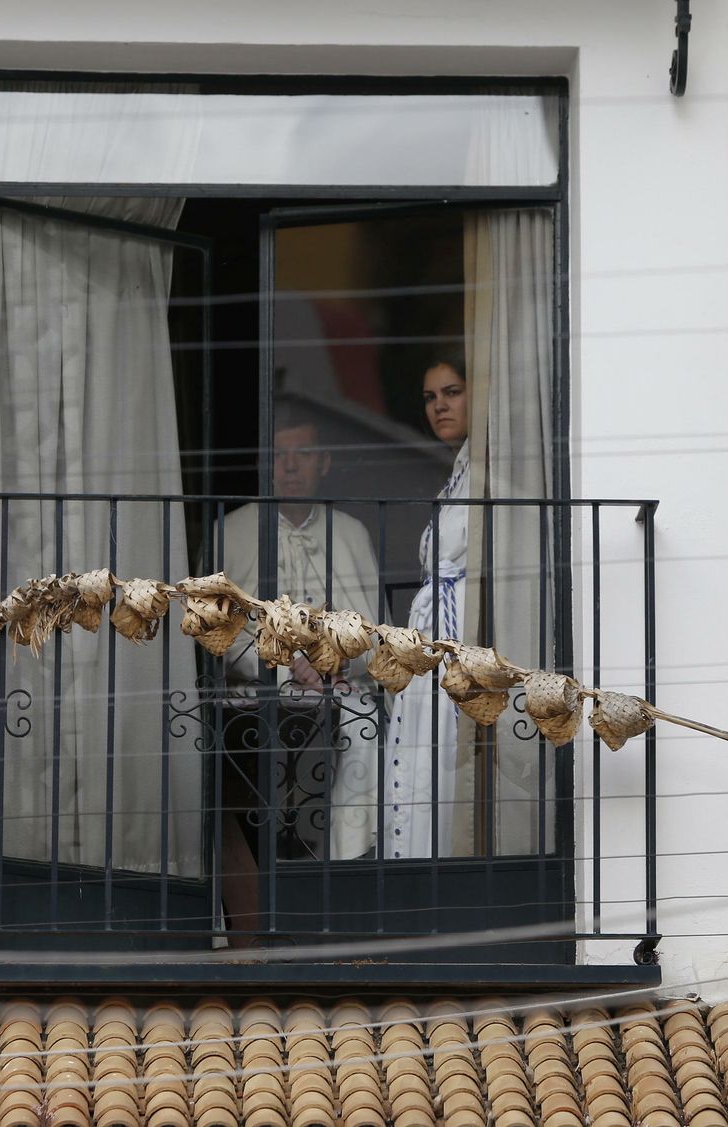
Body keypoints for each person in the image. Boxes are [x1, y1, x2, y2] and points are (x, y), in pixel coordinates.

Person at [215, 402, 381, 939]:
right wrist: (289, 671)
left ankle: (347, 887)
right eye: (279, 456)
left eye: (302, 454)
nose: (289, 466)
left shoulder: (351, 532)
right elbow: (214, 628)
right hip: (252, 693)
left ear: (324, 462)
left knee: (366, 731)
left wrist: (335, 662)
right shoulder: (231, 529)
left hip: (341, 688)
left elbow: (376, 628)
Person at [379, 352, 472, 859]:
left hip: (455, 636)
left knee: (446, 759)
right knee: (425, 759)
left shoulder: (489, 467)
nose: (439, 406)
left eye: (452, 392)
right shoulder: (459, 469)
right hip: (433, 629)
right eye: (431, 397)